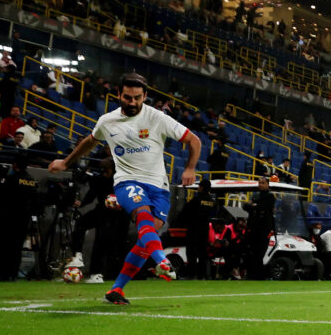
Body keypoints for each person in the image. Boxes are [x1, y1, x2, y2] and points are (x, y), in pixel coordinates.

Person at [49, 72, 201, 305]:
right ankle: (163, 262)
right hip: (127, 182)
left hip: (159, 188)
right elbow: (90, 141)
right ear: (119, 95)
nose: (132, 103)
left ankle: (117, 290)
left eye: (137, 98)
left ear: (145, 96)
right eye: (128, 97)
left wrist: (190, 168)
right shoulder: (107, 121)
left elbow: (194, 141)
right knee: (143, 218)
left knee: (145, 239)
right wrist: (65, 162)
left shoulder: (157, 118)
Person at [65, 159, 122, 284]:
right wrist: (81, 203)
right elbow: (91, 194)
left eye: (105, 168)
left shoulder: (118, 180)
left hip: (112, 215)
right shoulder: (99, 179)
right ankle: (78, 255)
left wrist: (119, 204)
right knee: (80, 224)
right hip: (100, 210)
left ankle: (96, 273)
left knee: (100, 243)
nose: (103, 171)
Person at [178, 179, 218, 279]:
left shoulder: (196, 199)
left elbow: (185, 212)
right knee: (202, 252)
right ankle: (202, 274)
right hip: (205, 229)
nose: (198, 188)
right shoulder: (212, 202)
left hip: (194, 228)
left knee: (191, 252)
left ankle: (191, 274)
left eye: (199, 186)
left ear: (202, 187)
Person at [243, 176, 275, 279]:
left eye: (263, 183)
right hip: (253, 228)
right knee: (250, 252)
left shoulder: (270, 197)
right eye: (259, 183)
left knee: (259, 252)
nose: (260, 185)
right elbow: (245, 206)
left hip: (264, 229)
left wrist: (254, 206)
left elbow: (262, 207)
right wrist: (254, 206)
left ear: (267, 184)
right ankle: (250, 274)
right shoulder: (255, 195)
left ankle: (259, 275)